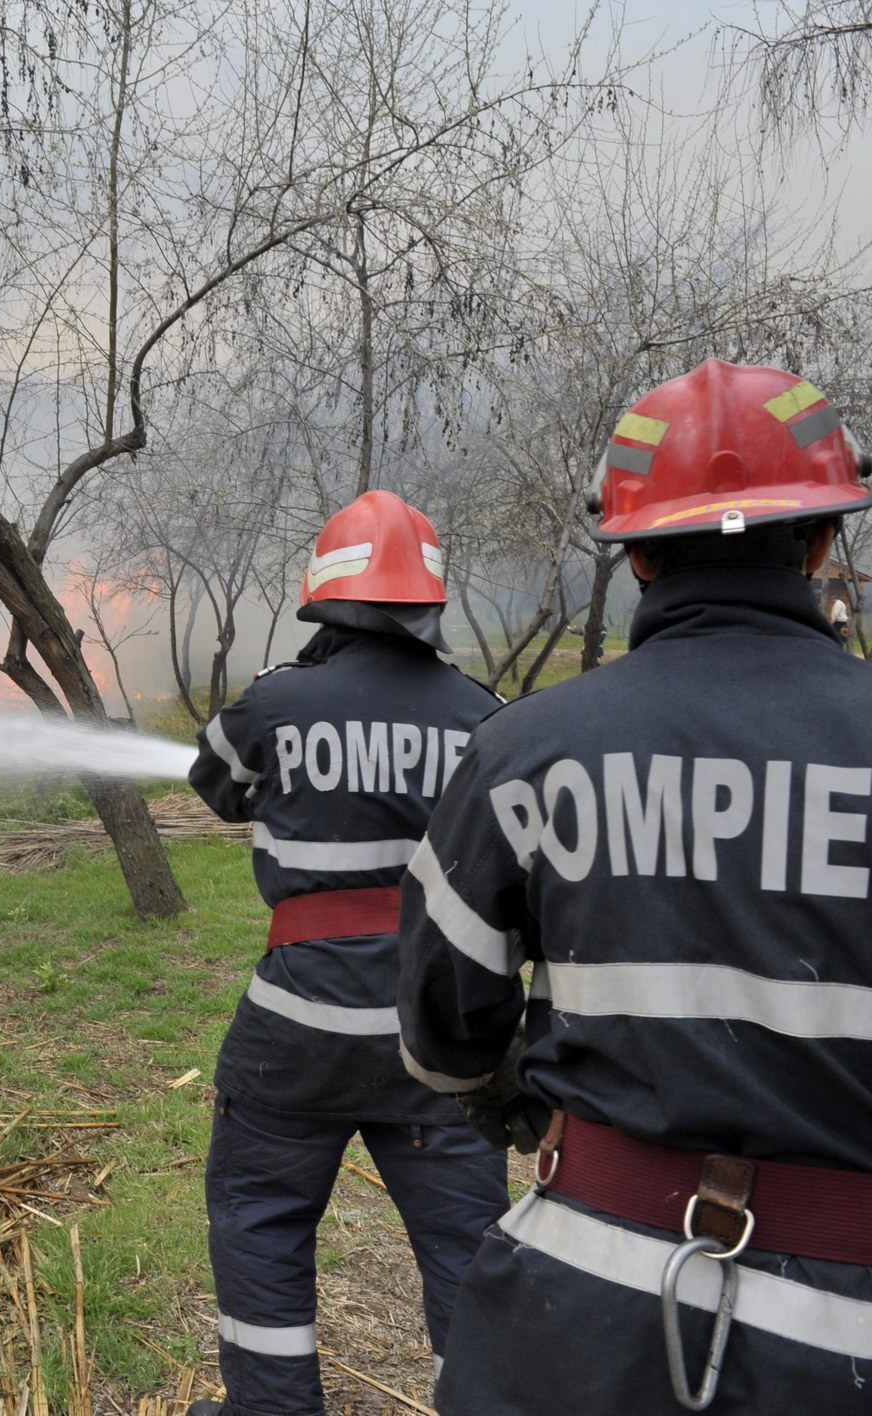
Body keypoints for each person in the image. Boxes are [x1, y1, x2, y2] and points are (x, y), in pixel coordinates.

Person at [397, 358, 872, 1414]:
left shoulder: (524, 750)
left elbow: (441, 1029)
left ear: (636, 554)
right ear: (823, 542)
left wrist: (510, 1097)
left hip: (578, 1312)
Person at [186, 490, 510, 1416]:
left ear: (324, 595)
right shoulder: (486, 719)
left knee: (261, 1220)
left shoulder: (274, 703)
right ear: (430, 601)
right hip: (436, 1032)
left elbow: (216, 784)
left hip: (297, 1032)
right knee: (466, 1247)